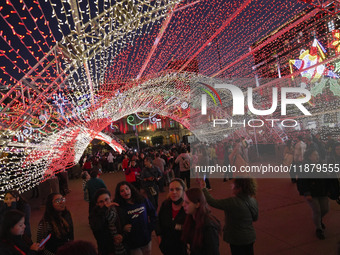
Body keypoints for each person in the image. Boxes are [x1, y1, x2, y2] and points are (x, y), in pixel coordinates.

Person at [200, 178, 258, 255]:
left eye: (234, 185)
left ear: (239, 188)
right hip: (250, 236)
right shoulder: (253, 200)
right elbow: (255, 218)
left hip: (236, 238)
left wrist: (204, 189)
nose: (232, 187)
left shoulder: (233, 202)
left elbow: (213, 202)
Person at [297, 149, 332, 240]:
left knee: (325, 209)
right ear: (309, 156)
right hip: (311, 193)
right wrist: (307, 193)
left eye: (317, 155)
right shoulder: (305, 167)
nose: (317, 156)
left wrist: (329, 189)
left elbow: (326, 178)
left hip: (322, 191)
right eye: (314, 155)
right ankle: (318, 229)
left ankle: (318, 220)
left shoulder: (321, 165)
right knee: (317, 210)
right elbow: (303, 181)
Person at [114, 181, 157, 255]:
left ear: (131, 189)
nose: (126, 192)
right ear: (119, 194)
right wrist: (122, 229)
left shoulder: (142, 200)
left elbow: (153, 212)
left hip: (145, 237)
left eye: (127, 189)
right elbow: (114, 223)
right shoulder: (119, 207)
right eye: (122, 191)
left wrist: (151, 227)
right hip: (132, 241)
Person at [181, 188, 221, 255]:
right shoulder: (191, 217)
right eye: (184, 201)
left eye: (187, 202)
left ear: (197, 204)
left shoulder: (208, 227)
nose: (183, 205)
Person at [89, 188, 126, 255]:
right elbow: (97, 228)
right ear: (97, 204)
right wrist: (104, 209)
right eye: (101, 202)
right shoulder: (94, 215)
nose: (105, 203)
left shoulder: (118, 209)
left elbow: (124, 225)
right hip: (107, 250)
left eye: (106, 200)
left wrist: (122, 236)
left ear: (110, 198)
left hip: (122, 246)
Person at [156, 178, 187, 255]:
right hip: (166, 247)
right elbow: (158, 221)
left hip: (183, 249)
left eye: (177, 189)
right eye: (171, 189)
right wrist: (159, 237)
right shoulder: (166, 204)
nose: (174, 192)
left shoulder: (188, 208)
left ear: (184, 191)